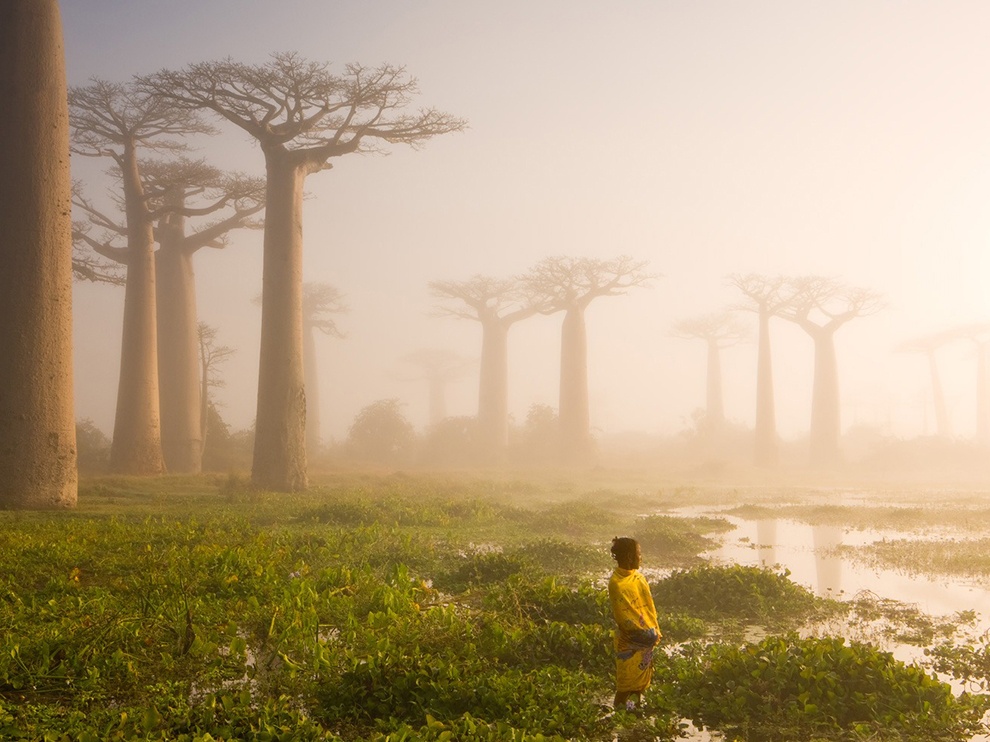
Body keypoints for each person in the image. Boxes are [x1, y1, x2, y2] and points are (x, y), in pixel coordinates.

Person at [608, 536, 660, 711]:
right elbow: (623, 615)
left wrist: (654, 630)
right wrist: (641, 634)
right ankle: (619, 716)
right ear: (630, 556)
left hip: (645, 640)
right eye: (639, 554)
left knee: (638, 685)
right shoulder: (617, 583)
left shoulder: (639, 578)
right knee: (625, 685)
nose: (641, 557)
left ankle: (633, 711)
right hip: (629, 642)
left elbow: (648, 607)